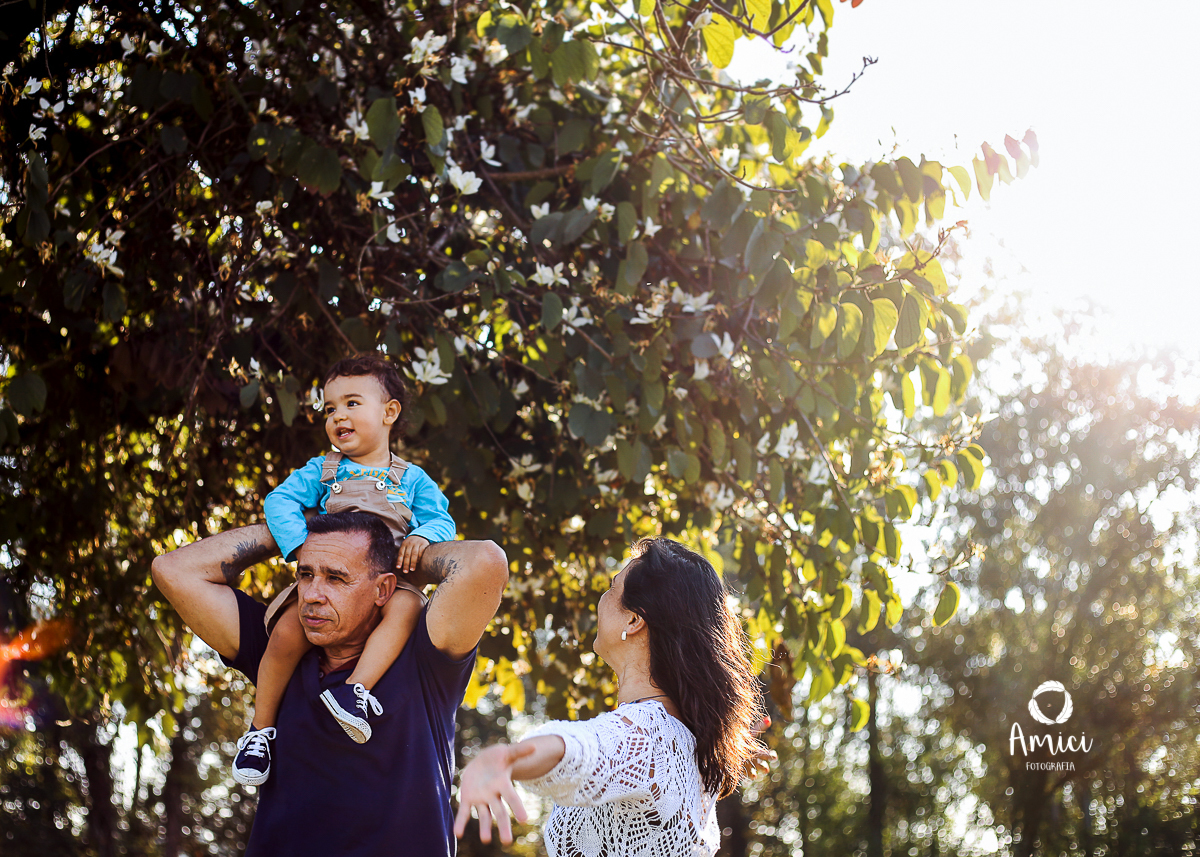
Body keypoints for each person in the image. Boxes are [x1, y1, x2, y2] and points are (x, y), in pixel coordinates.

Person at [151, 514, 507, 857]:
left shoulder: (422, 657)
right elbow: (174, 570)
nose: (312, 595)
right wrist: (287, 526)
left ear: (383, 588)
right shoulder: (278, 652)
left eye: (336, 578)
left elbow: (485, 562)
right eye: (306, 574)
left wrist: (408, 552)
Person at [454, 537, 770, 856]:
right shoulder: (686, 743)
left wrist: (508, 758)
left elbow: (585, 747)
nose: (601, 598)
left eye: (612, 587)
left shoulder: (648, 733)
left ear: (634, 620)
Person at [233, 353, 457, 786]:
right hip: (328, 581)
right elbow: (279, 501)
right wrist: (299, 545)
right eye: (330, 408)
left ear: (390, 412)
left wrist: (422, 536)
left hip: (390, 581)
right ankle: (259, 732)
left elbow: (440, 518)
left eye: (352, 403)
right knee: (284, 635)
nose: (338, 416)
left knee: (406, 610)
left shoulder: (411, 479)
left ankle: (354, 691)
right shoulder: (323, 469)